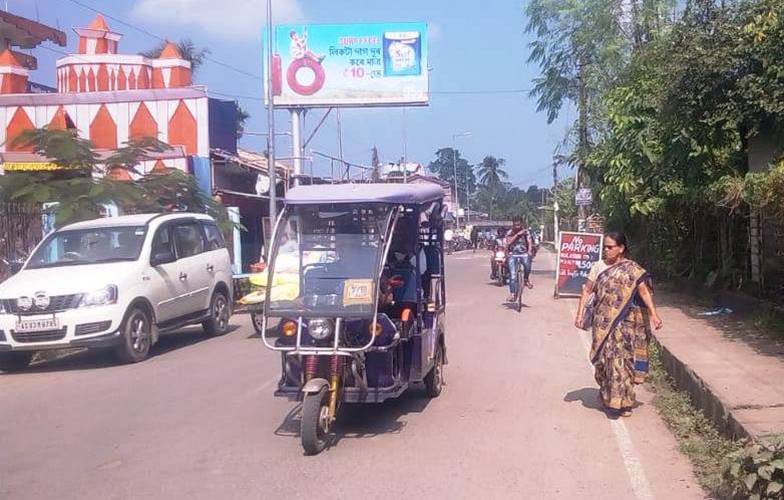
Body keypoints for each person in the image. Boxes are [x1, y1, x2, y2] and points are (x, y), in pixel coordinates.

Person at [574, 231, 663, 417]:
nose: (606, 250)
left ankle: (624, 402)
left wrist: (654, 314)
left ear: (621, 248)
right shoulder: (598, 267)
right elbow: (587, 291)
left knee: (623, 361)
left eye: (610, 247)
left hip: (626, 322)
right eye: (604, 247)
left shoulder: (632, 269)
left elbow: (644, 291)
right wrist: (580, 314)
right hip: (603, 323)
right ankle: (608, 396)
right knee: (605, 361)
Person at [505, 217, 534, 302]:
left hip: (523, 253)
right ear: (513, 224)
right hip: (512, 254)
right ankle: (512, 294)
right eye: (515, 224)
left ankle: (526, 279)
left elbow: (529, 241)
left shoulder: (526, 232)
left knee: (527, 266)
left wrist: (529, 251)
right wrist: (517, 235)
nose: (517, 226)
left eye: (518, 224)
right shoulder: (510, 232)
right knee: (513, 275)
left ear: (521, 224)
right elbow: (508, 242)